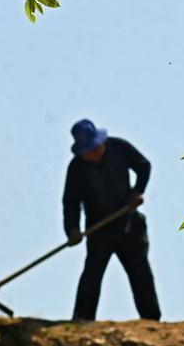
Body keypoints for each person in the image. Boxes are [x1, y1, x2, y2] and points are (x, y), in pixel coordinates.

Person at [62, 118, 161, 321]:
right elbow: (71, 202)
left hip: (129, 223)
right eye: (87, 151)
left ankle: (151, 320)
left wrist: (137, 192)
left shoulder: (119, 148)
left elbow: (144, 166)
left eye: (94, 148)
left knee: (140, 272)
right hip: (99, 229)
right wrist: (72, 229)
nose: (92, 153)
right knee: (92, 274)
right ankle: (82, 319)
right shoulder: (77, 168)